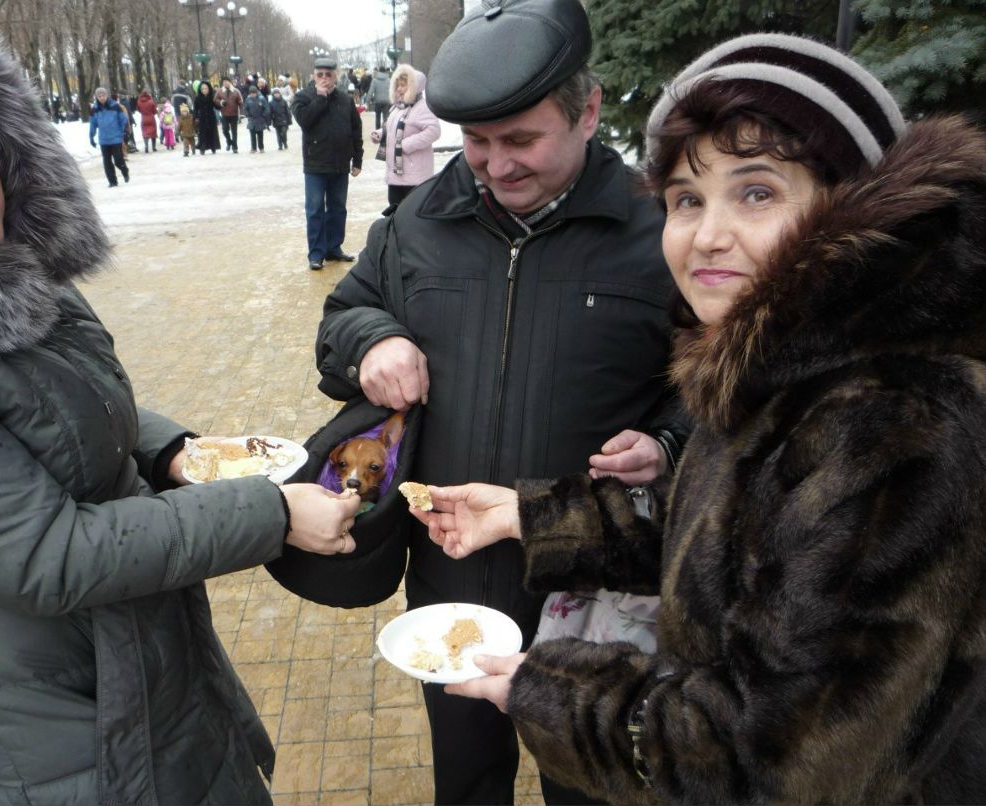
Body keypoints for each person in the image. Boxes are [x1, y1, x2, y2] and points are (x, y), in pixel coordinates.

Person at [412, 31, 986, 806]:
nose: (707, 236)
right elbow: (734, 541)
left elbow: (762, 759)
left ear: (852, 200)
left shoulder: (894, 423)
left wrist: (542, 689)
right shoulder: (789, 364)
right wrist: (532, 517)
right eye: (687, 199)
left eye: (757, 192)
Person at [0, 3, 364, 804]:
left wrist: (170, 451)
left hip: (134, 663)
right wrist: (269, 514)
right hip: (58, 722)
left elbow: (66, 412)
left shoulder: (12, 265)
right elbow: (49, 554)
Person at [315, 1, 689, 803]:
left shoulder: (657, 229)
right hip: (454, 573)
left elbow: (723, 386)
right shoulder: (420, 220)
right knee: (469, 776)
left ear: (588, 111)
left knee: (588, 781)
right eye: (478, 143)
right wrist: (373, 340)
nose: (495, 165)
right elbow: (341, 318)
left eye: (521, 140)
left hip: (597, 583)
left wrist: (668, 440)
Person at [292, 56, 363, 271]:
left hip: (340, 164)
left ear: (335, 76)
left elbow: (355, 131)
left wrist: (357, 159)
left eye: (328, 74)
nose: (324, 78)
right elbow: (305, 121)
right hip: (315, 164)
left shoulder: (345, 100)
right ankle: (316, 253)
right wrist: (320, 98)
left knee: (338, 208)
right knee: (314, 210)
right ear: (313, 75)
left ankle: (334, 247)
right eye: (320, 74)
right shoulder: (303, 98)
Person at [369, 63, 440, 209]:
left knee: (410, 215)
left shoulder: (422, 107)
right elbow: (391, 129)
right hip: (396, 174)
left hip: (414, 176)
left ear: (414, 87)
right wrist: (380, 134)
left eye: (404, 85)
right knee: (395, 212)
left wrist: (407, 145)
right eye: (397, 85)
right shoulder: (397, 107)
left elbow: (434, 131)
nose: (399, 89)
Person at [88, 85, 129, 187]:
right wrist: (91, 137)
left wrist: (124, 131)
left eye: (103, 95)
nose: (102, 98)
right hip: (104, 140)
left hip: (116, 138)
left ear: (107, 95)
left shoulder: (115, 106)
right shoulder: (95, 109)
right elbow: (93, 124)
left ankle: (124, 169)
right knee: (107, 162)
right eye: (99, 96)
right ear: (96, 97)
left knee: (118, 160)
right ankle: (112, 181)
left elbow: (123, 119)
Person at [216, 76, 244, 153]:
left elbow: (241, 102)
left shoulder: (236, 91)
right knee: (225, 130)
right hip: (224, 114)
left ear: (230, 82)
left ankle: (235, 147)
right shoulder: (220, 91)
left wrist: (241, 113)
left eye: (227, 82)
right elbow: (215, 100)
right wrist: (221, 102)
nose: (226, 83)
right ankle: (229, 142)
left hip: (234, 114)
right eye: (224, 82)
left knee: (234, 131)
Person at [193, 79, 221, 155]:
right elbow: (195, 109)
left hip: (211, 117)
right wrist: (195, 117)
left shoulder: (212, 97)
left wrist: (221, 104)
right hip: (202, 118)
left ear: (209, 89)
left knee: (212, 132)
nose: (204, 90)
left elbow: (216, 106)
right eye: (202, 89)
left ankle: (213, 147)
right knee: (202, 133)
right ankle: (202, 148)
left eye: (206, 89)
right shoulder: (197, 98)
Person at [244, 83, 270, 153]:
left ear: (256, 92)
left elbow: (266, 108)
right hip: (252, 120)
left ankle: (261, 147)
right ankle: (253, 148)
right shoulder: (248, 99)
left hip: (260, 119)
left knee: (260, 135)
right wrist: (247, 114)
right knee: (252, 135)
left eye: (254, 93)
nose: (253, 95)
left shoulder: (261, 98)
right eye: (251, 93)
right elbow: (245, 108)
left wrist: (263, 115)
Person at [136, 88, 158, 153]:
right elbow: (154, 110)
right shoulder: (151, 101)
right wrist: (153, 112)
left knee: (145, 133)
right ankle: (154, 147)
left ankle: (146, 146)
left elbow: (138, 109)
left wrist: (143, 113)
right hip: (151, 118)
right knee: (153, 132)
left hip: (144, 118)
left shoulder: (139, 101)